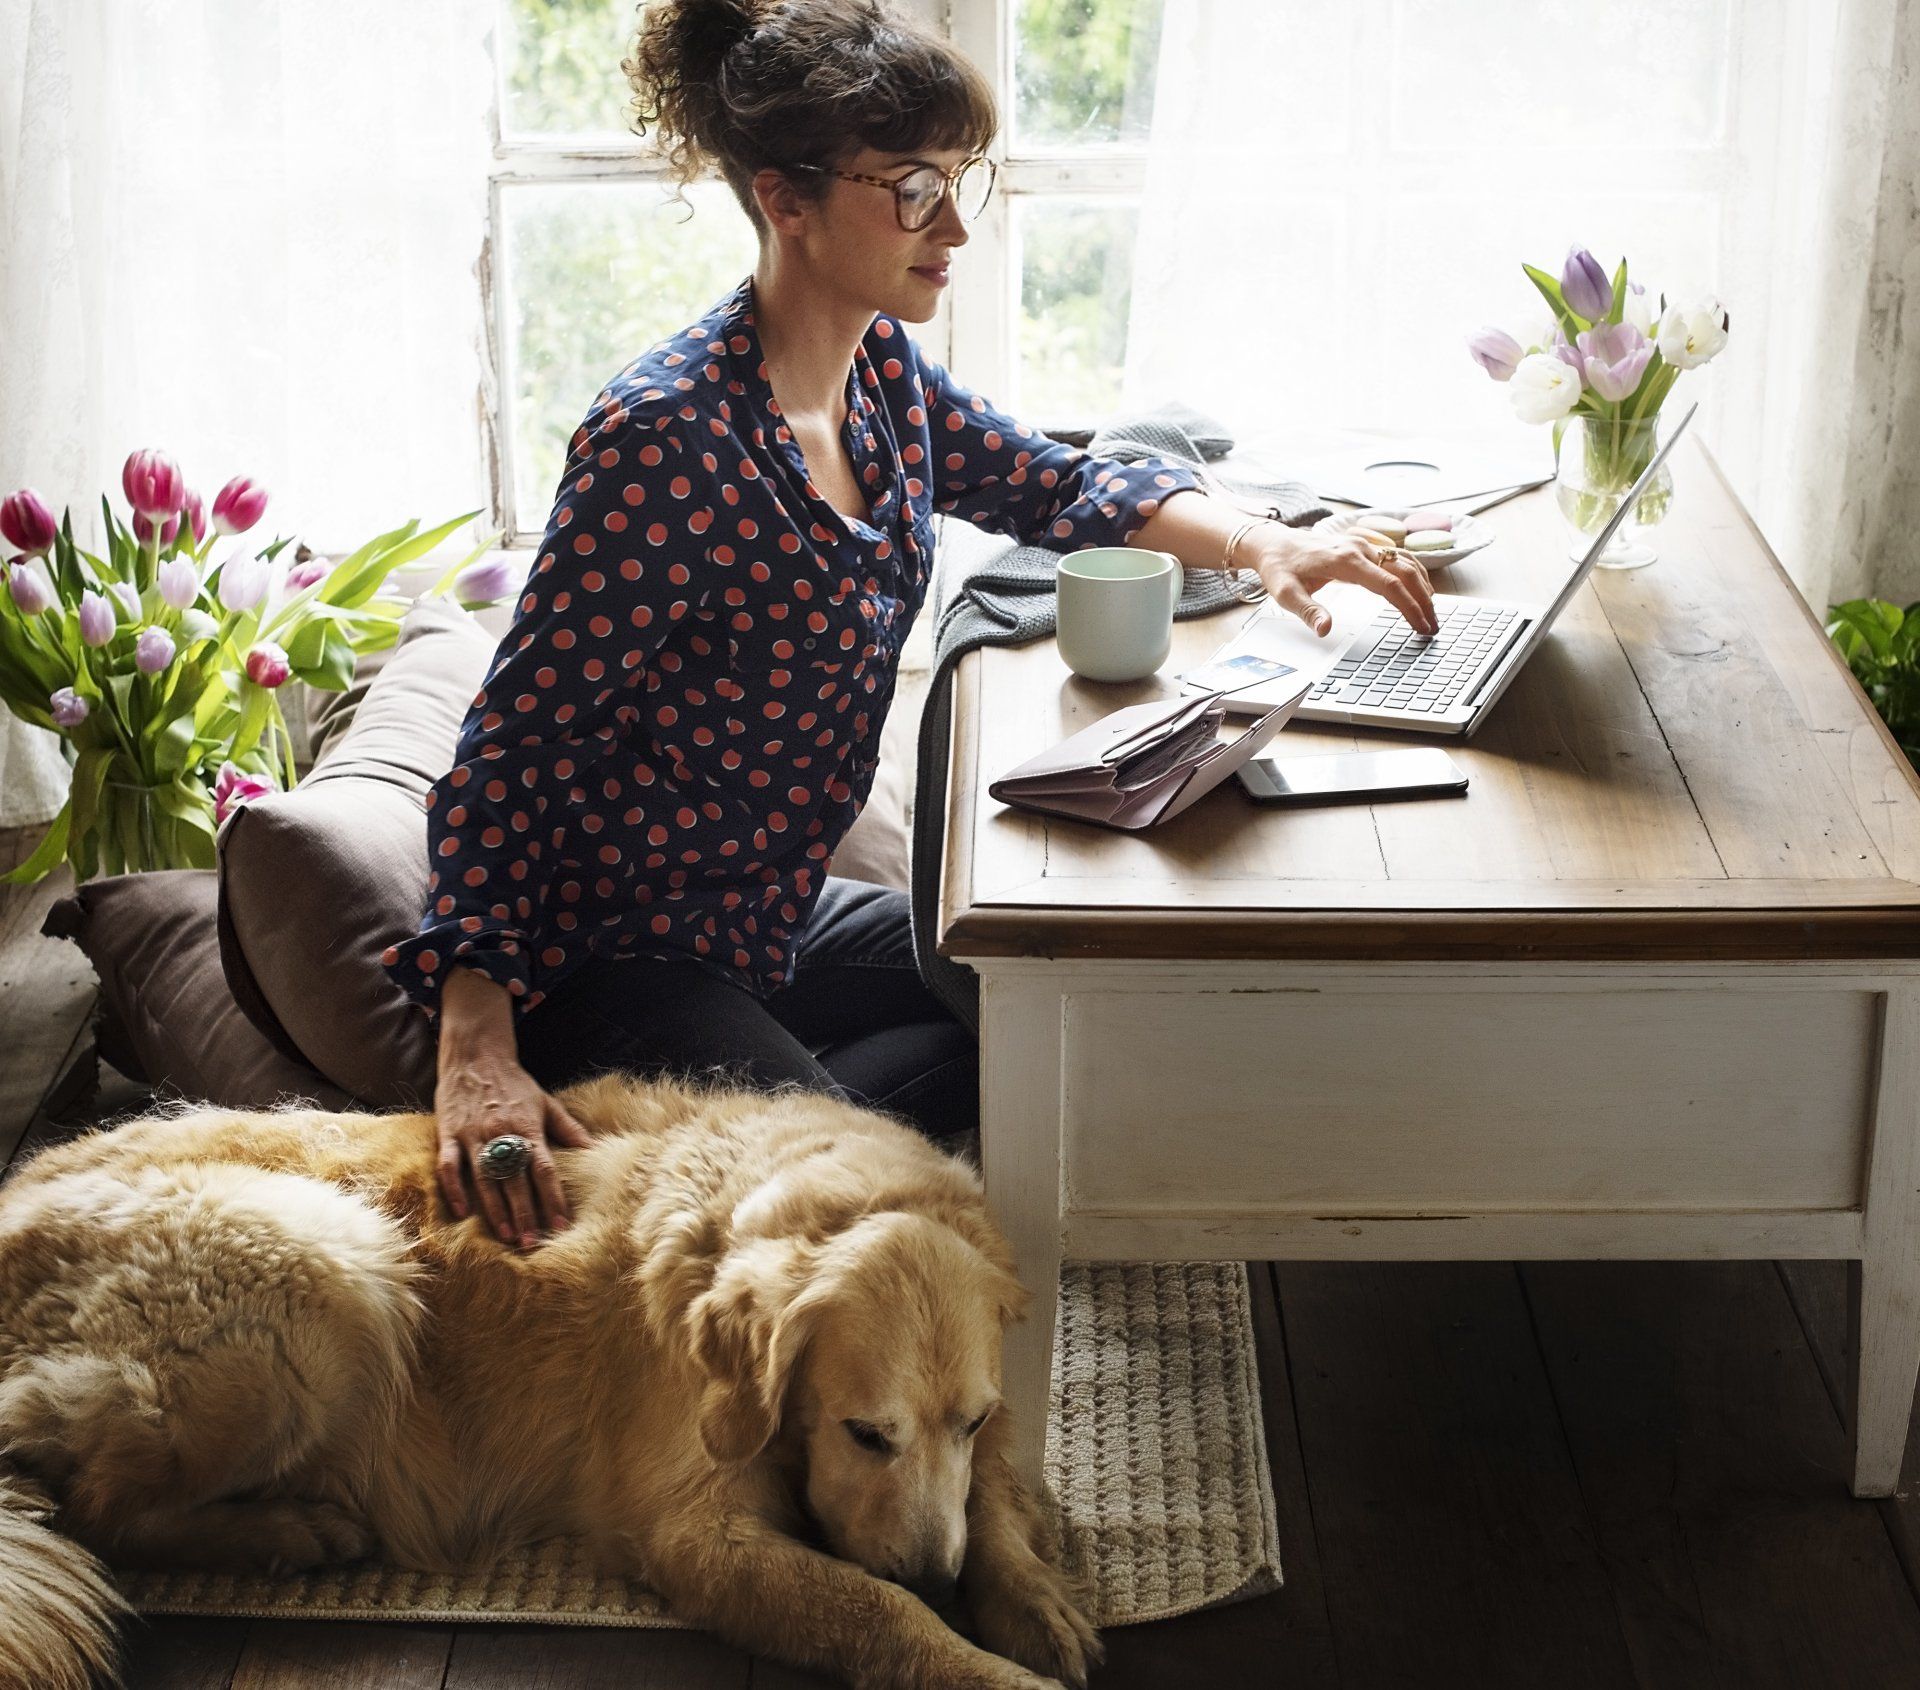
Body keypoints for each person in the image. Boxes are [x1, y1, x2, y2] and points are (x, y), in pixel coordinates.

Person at [383, 0, 1438, 1254]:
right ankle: (719, 1129)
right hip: (621, 954)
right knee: (866, 1211)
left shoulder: (879, 369)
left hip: (766, 914)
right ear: (787, 201)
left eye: (962, 179)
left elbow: (1050, 481)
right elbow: (516, 745)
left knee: (1075, 1015)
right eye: (915, 187)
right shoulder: (666, 443)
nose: (956, 225)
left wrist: (1264, 542)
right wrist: (476, 1042)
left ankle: (731, 1122)